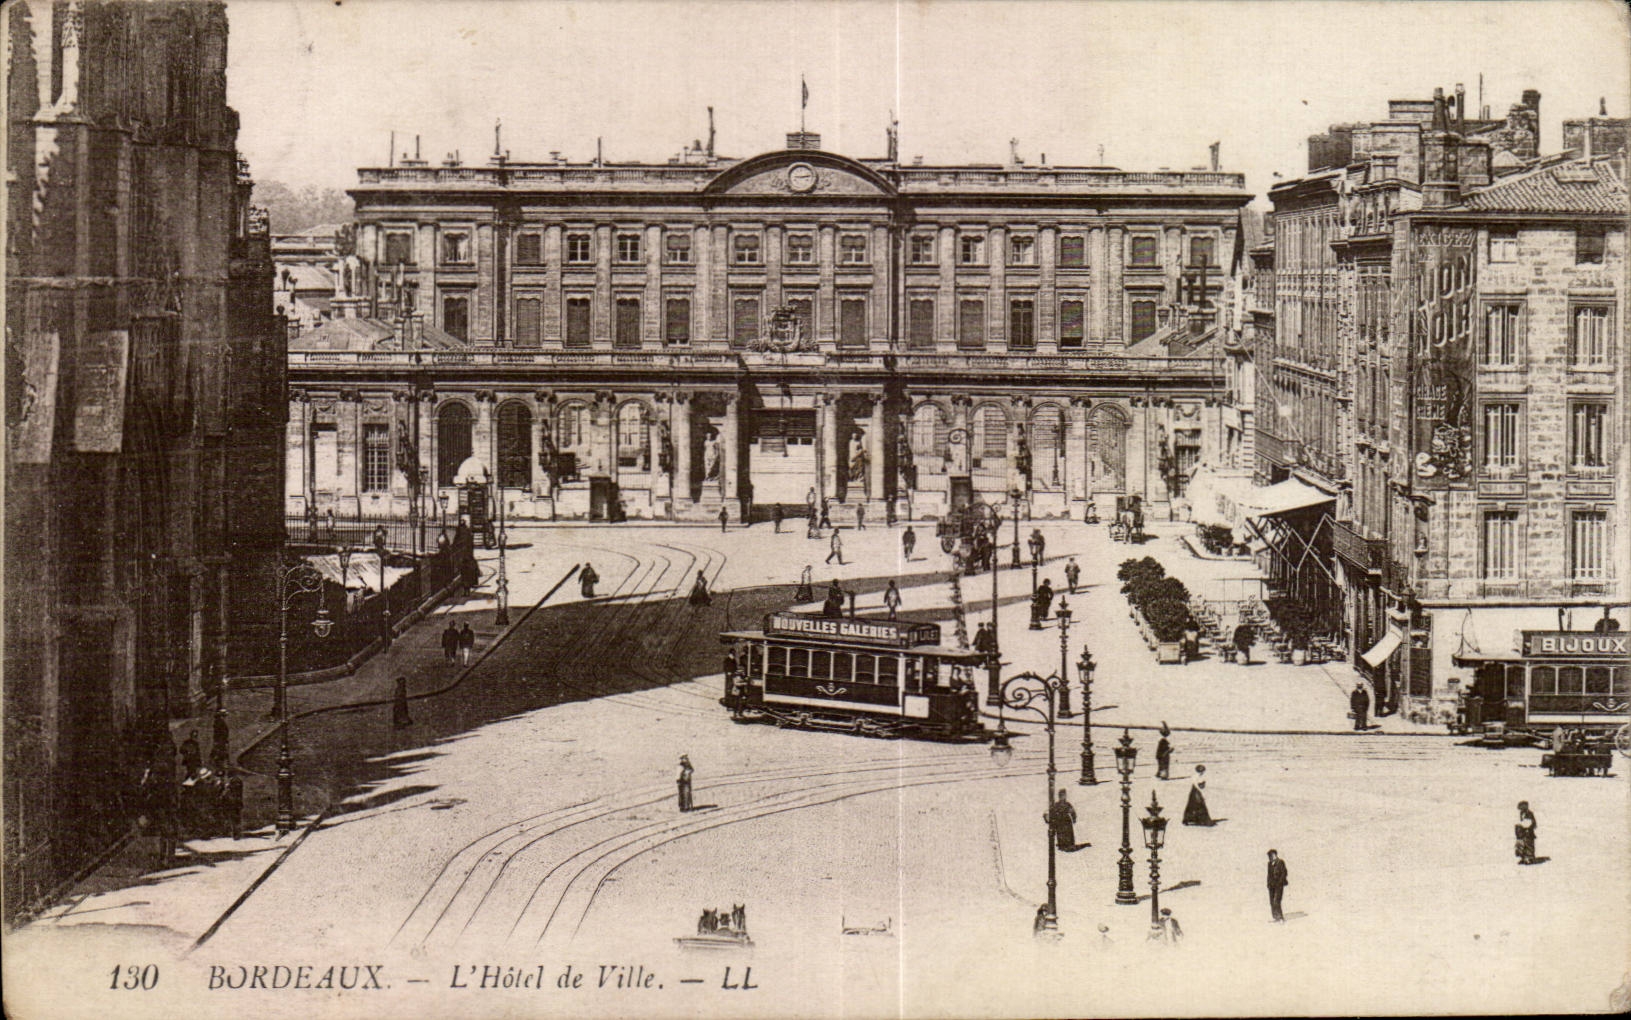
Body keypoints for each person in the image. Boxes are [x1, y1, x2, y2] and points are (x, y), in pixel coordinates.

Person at [1266, 849, 1289, 922]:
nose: (1270, 857)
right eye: (1269, 856)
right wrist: (1268, 883)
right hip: (1271, 886)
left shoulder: (1280, 862)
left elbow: (1284, 873)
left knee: (1277, 901)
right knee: (1272, 901)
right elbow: (1269, 875)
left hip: (1279, 885)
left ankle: (1280, 917)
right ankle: (1275, 917)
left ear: (1275, 855)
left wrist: (1280, 882)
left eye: (1271, 855)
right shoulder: (1269, 864)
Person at [210, 708, 230, 774]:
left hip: (221, 739)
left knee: (219, 751)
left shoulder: (218, 721)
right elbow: (220, 732)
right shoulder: (220, 722)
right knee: (221, 751)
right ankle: (220, 765)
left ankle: (219, 763)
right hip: (221, 739)